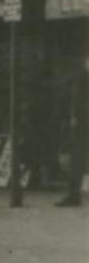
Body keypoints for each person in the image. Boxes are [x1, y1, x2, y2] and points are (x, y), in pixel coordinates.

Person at [58, 57, 88, 207]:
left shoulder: (81, 79)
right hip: (82, 123)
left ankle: (74, 194)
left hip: (82, 123)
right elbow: (75, 101)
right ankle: (74, 194)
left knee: (78, 158)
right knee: (77, 158)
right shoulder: (82, 79)